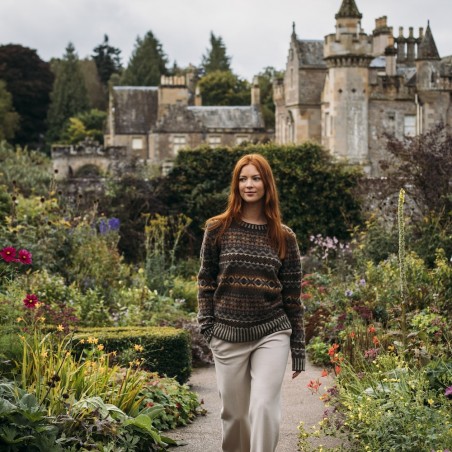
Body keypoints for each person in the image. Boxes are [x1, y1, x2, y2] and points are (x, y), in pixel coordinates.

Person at [197, 153, 305, 452]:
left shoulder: (284, 237)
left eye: (256, 178)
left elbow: (293, 298)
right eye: (243, 178)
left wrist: (298, 347)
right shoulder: (217, 229)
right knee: (235, 416)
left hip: (271, 332)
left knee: (264, 407)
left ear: (266, 184)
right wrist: (208, 328)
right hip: (227, 335)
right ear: (236, 185)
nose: (249, 184)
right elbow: (205, 281)